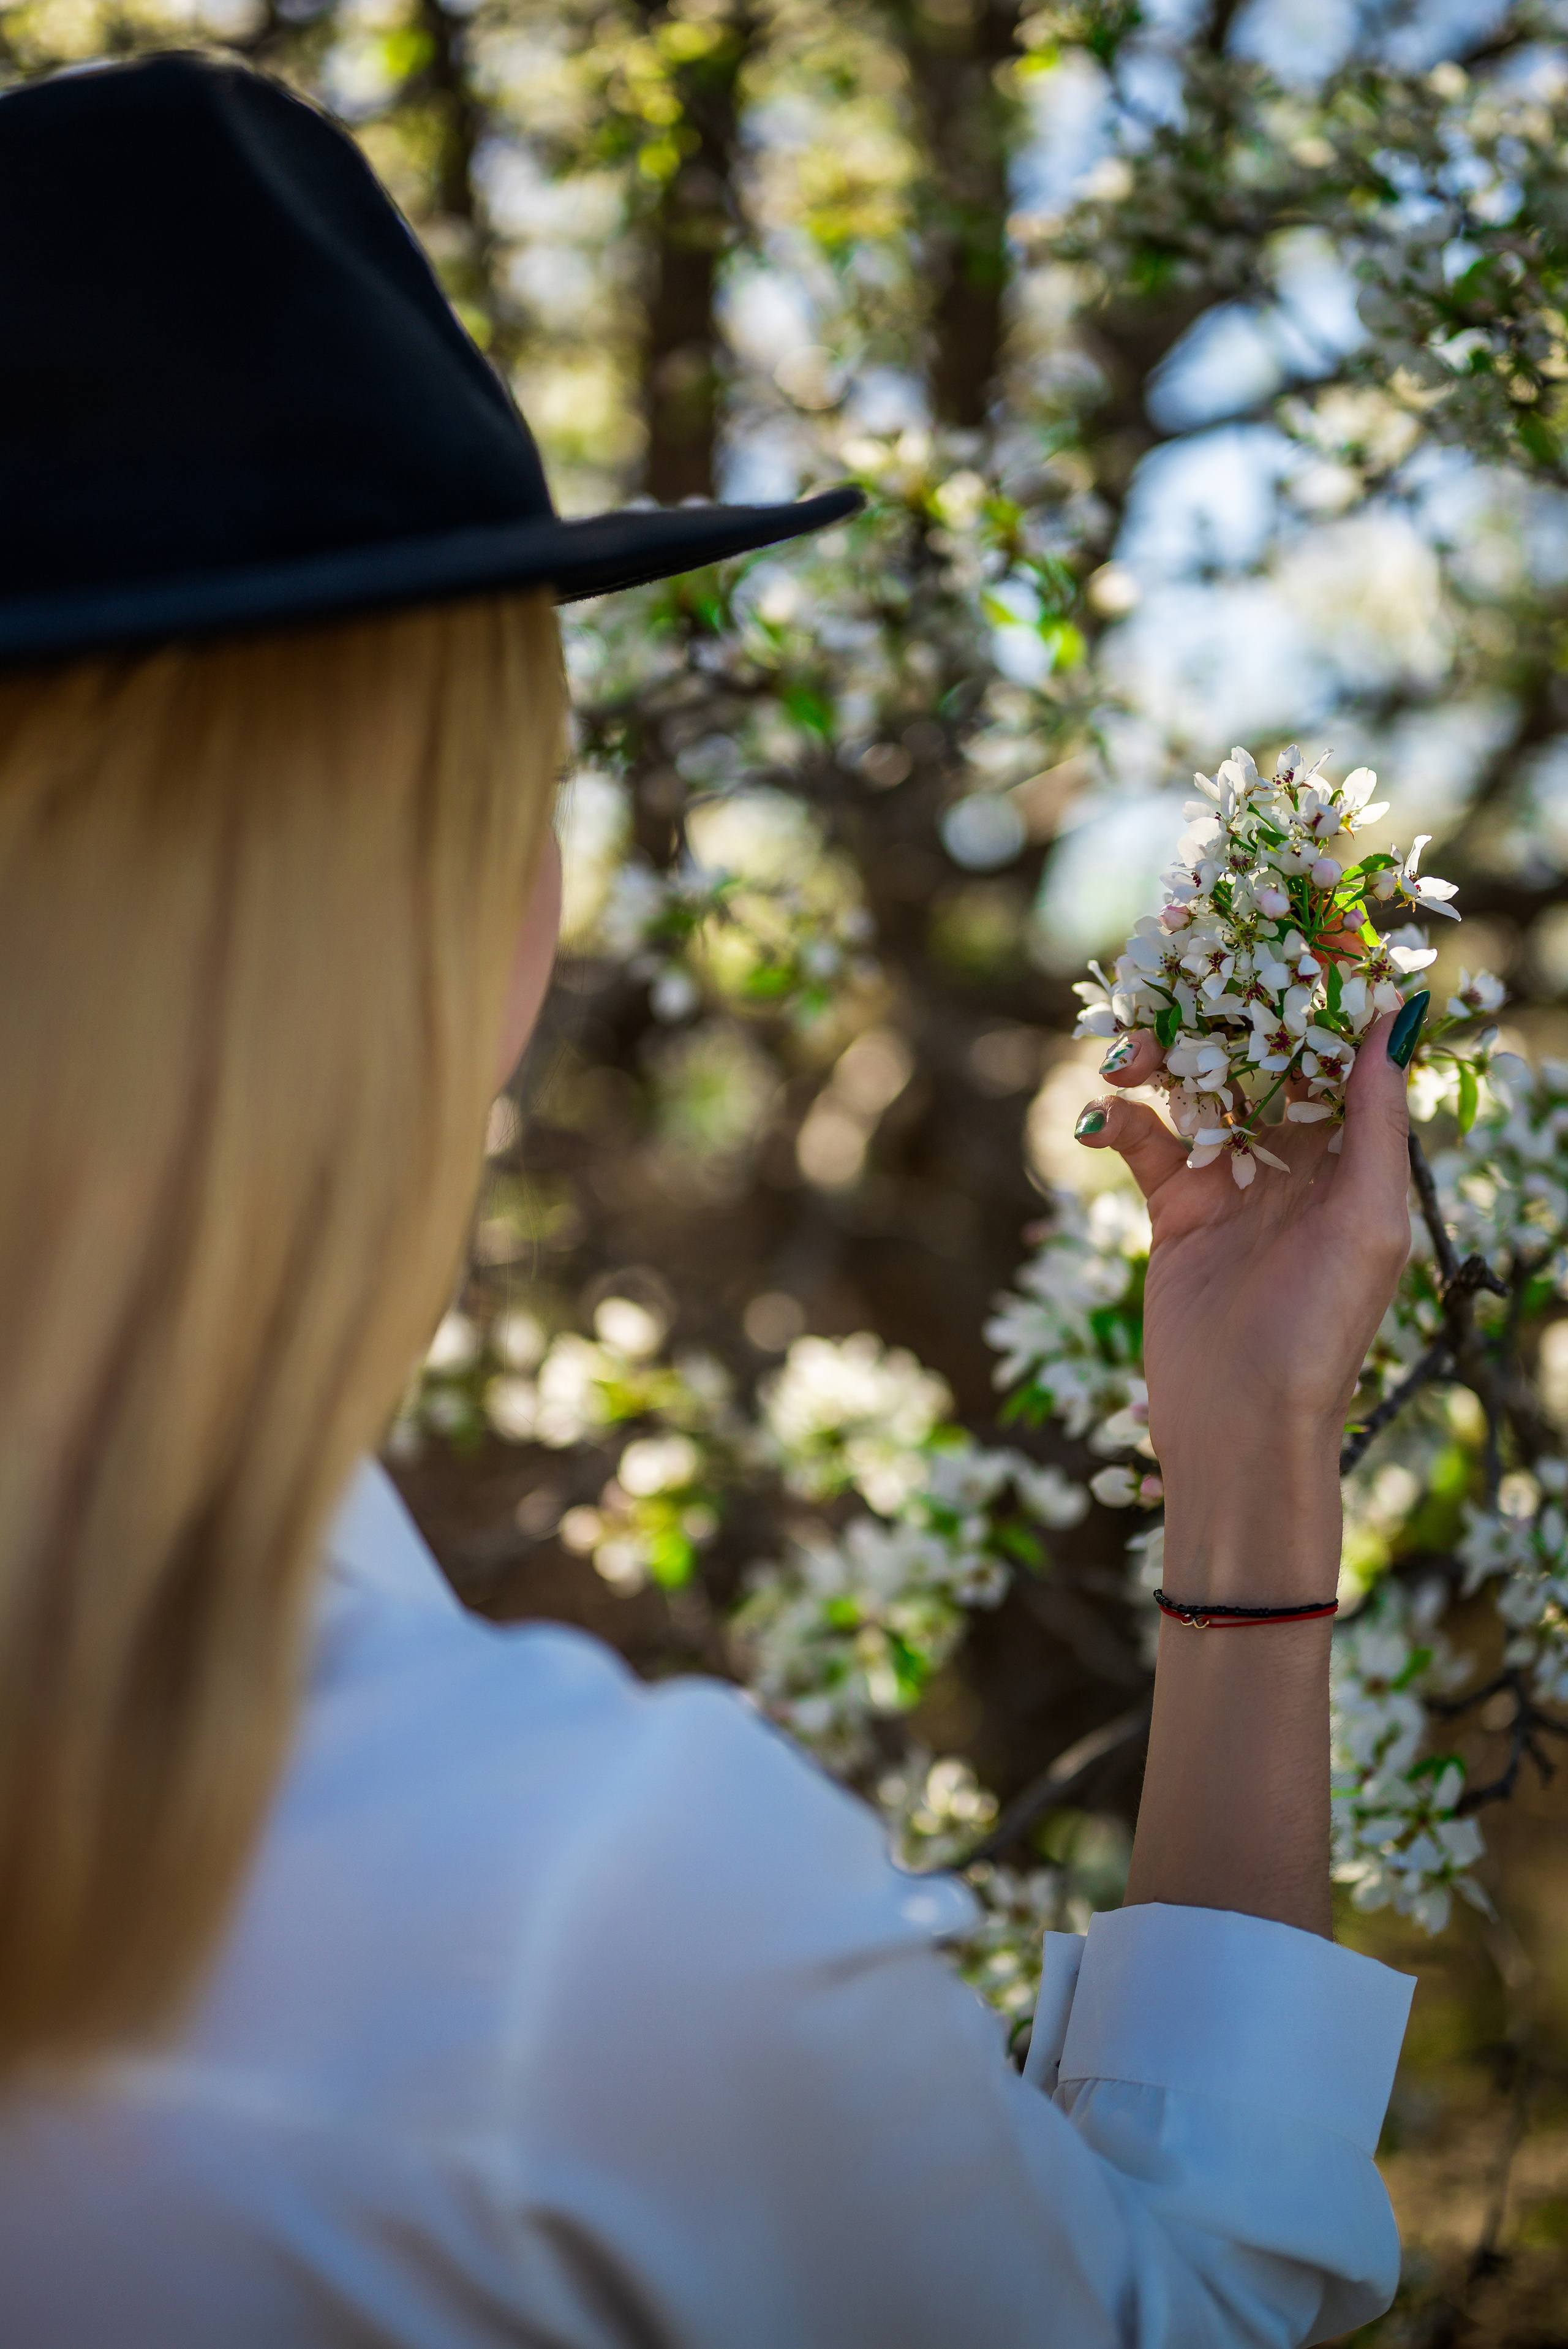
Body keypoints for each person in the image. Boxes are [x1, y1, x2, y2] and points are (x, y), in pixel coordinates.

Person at [0, 51, 1420, 2349]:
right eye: (518, 796)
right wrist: (1259, 1484)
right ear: (452, 926)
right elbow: (1198, 2312)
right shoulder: (575, 1914)